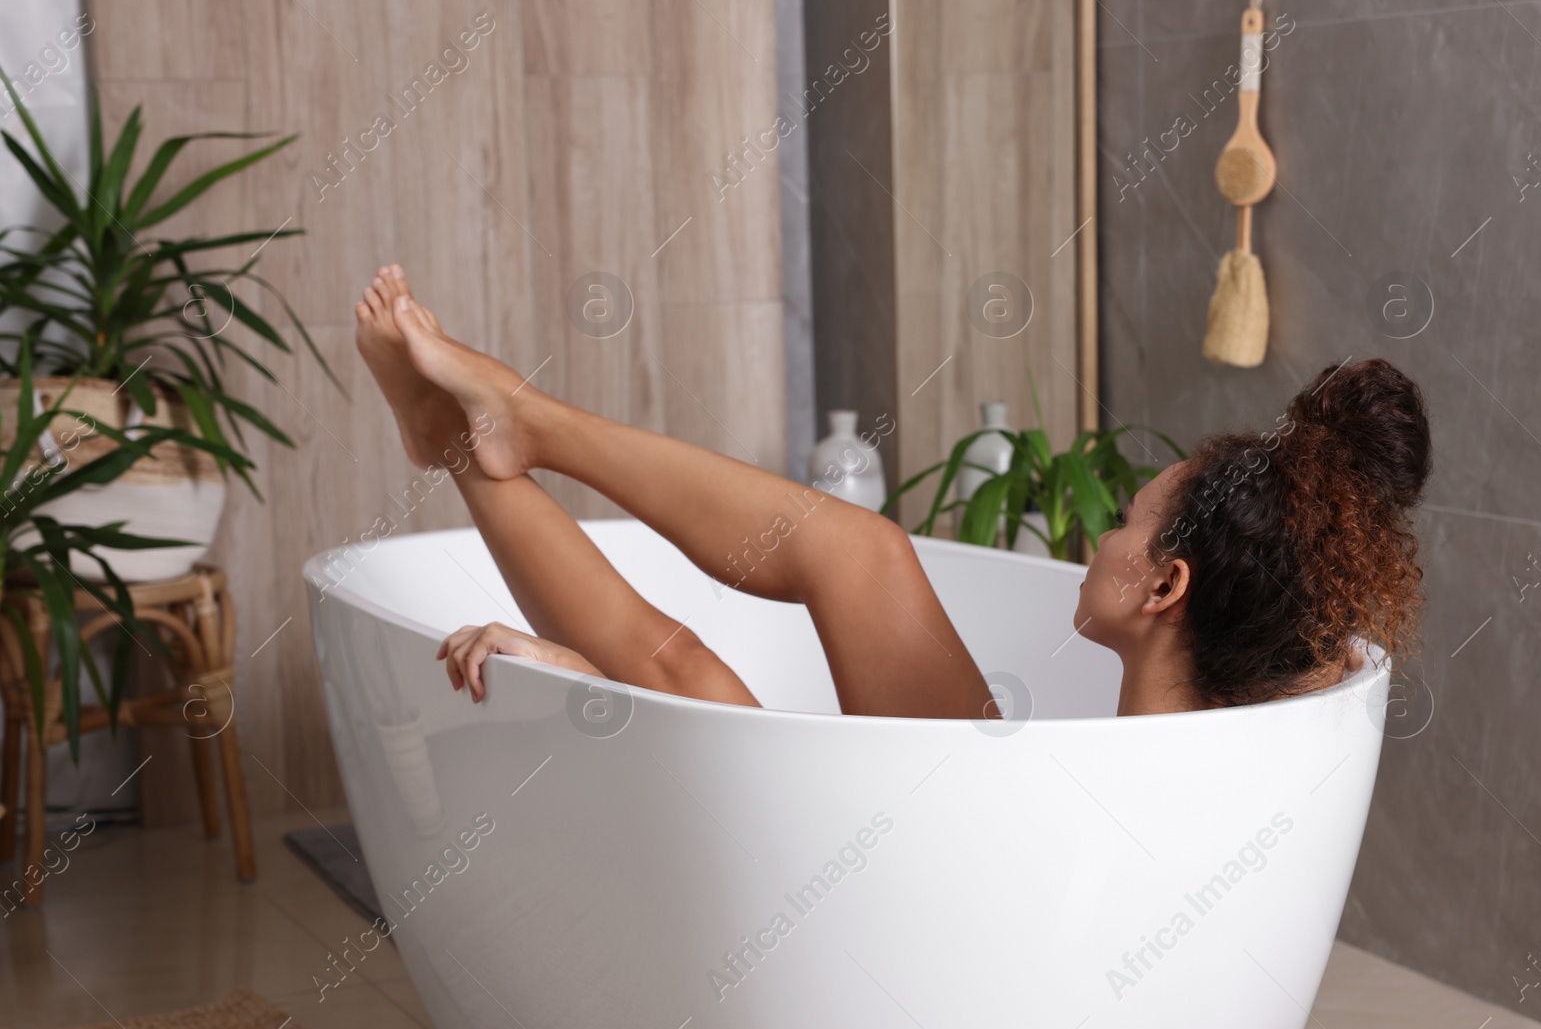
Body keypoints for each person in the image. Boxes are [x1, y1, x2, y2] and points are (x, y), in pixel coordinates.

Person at [355, 264, 1429, 719]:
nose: (1099, 535)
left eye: (1126, 521)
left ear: (1163, 589)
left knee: (692, 682)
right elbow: (1324, 637)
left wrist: (575, 671)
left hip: (961, 896)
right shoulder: (1266, 700)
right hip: (992, 819)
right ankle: (495, 428)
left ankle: (470, 435)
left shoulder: (1214, 743)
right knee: (863, 549)